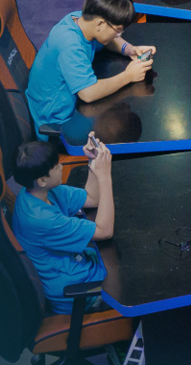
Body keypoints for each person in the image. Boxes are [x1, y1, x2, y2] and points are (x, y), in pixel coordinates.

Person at [25, 0, 155, 132]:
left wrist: (128, 49)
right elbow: (88, 93)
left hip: (63, 104)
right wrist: (128, 76)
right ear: (100, 24)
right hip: (56, 121)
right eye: (118, 31)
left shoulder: (80, 20)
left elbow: (106, 40)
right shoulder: (71, 45)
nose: (117, 36)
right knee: (119, 128)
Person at [11, 134, 114, 314]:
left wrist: (92, 162)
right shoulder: (41, 219)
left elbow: (92, 198)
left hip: (81, 265)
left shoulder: (41, 192)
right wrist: (105, 176)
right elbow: (105, 231)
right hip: (78, 291)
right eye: (56, 166)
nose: (61, 167)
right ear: (42, 180)